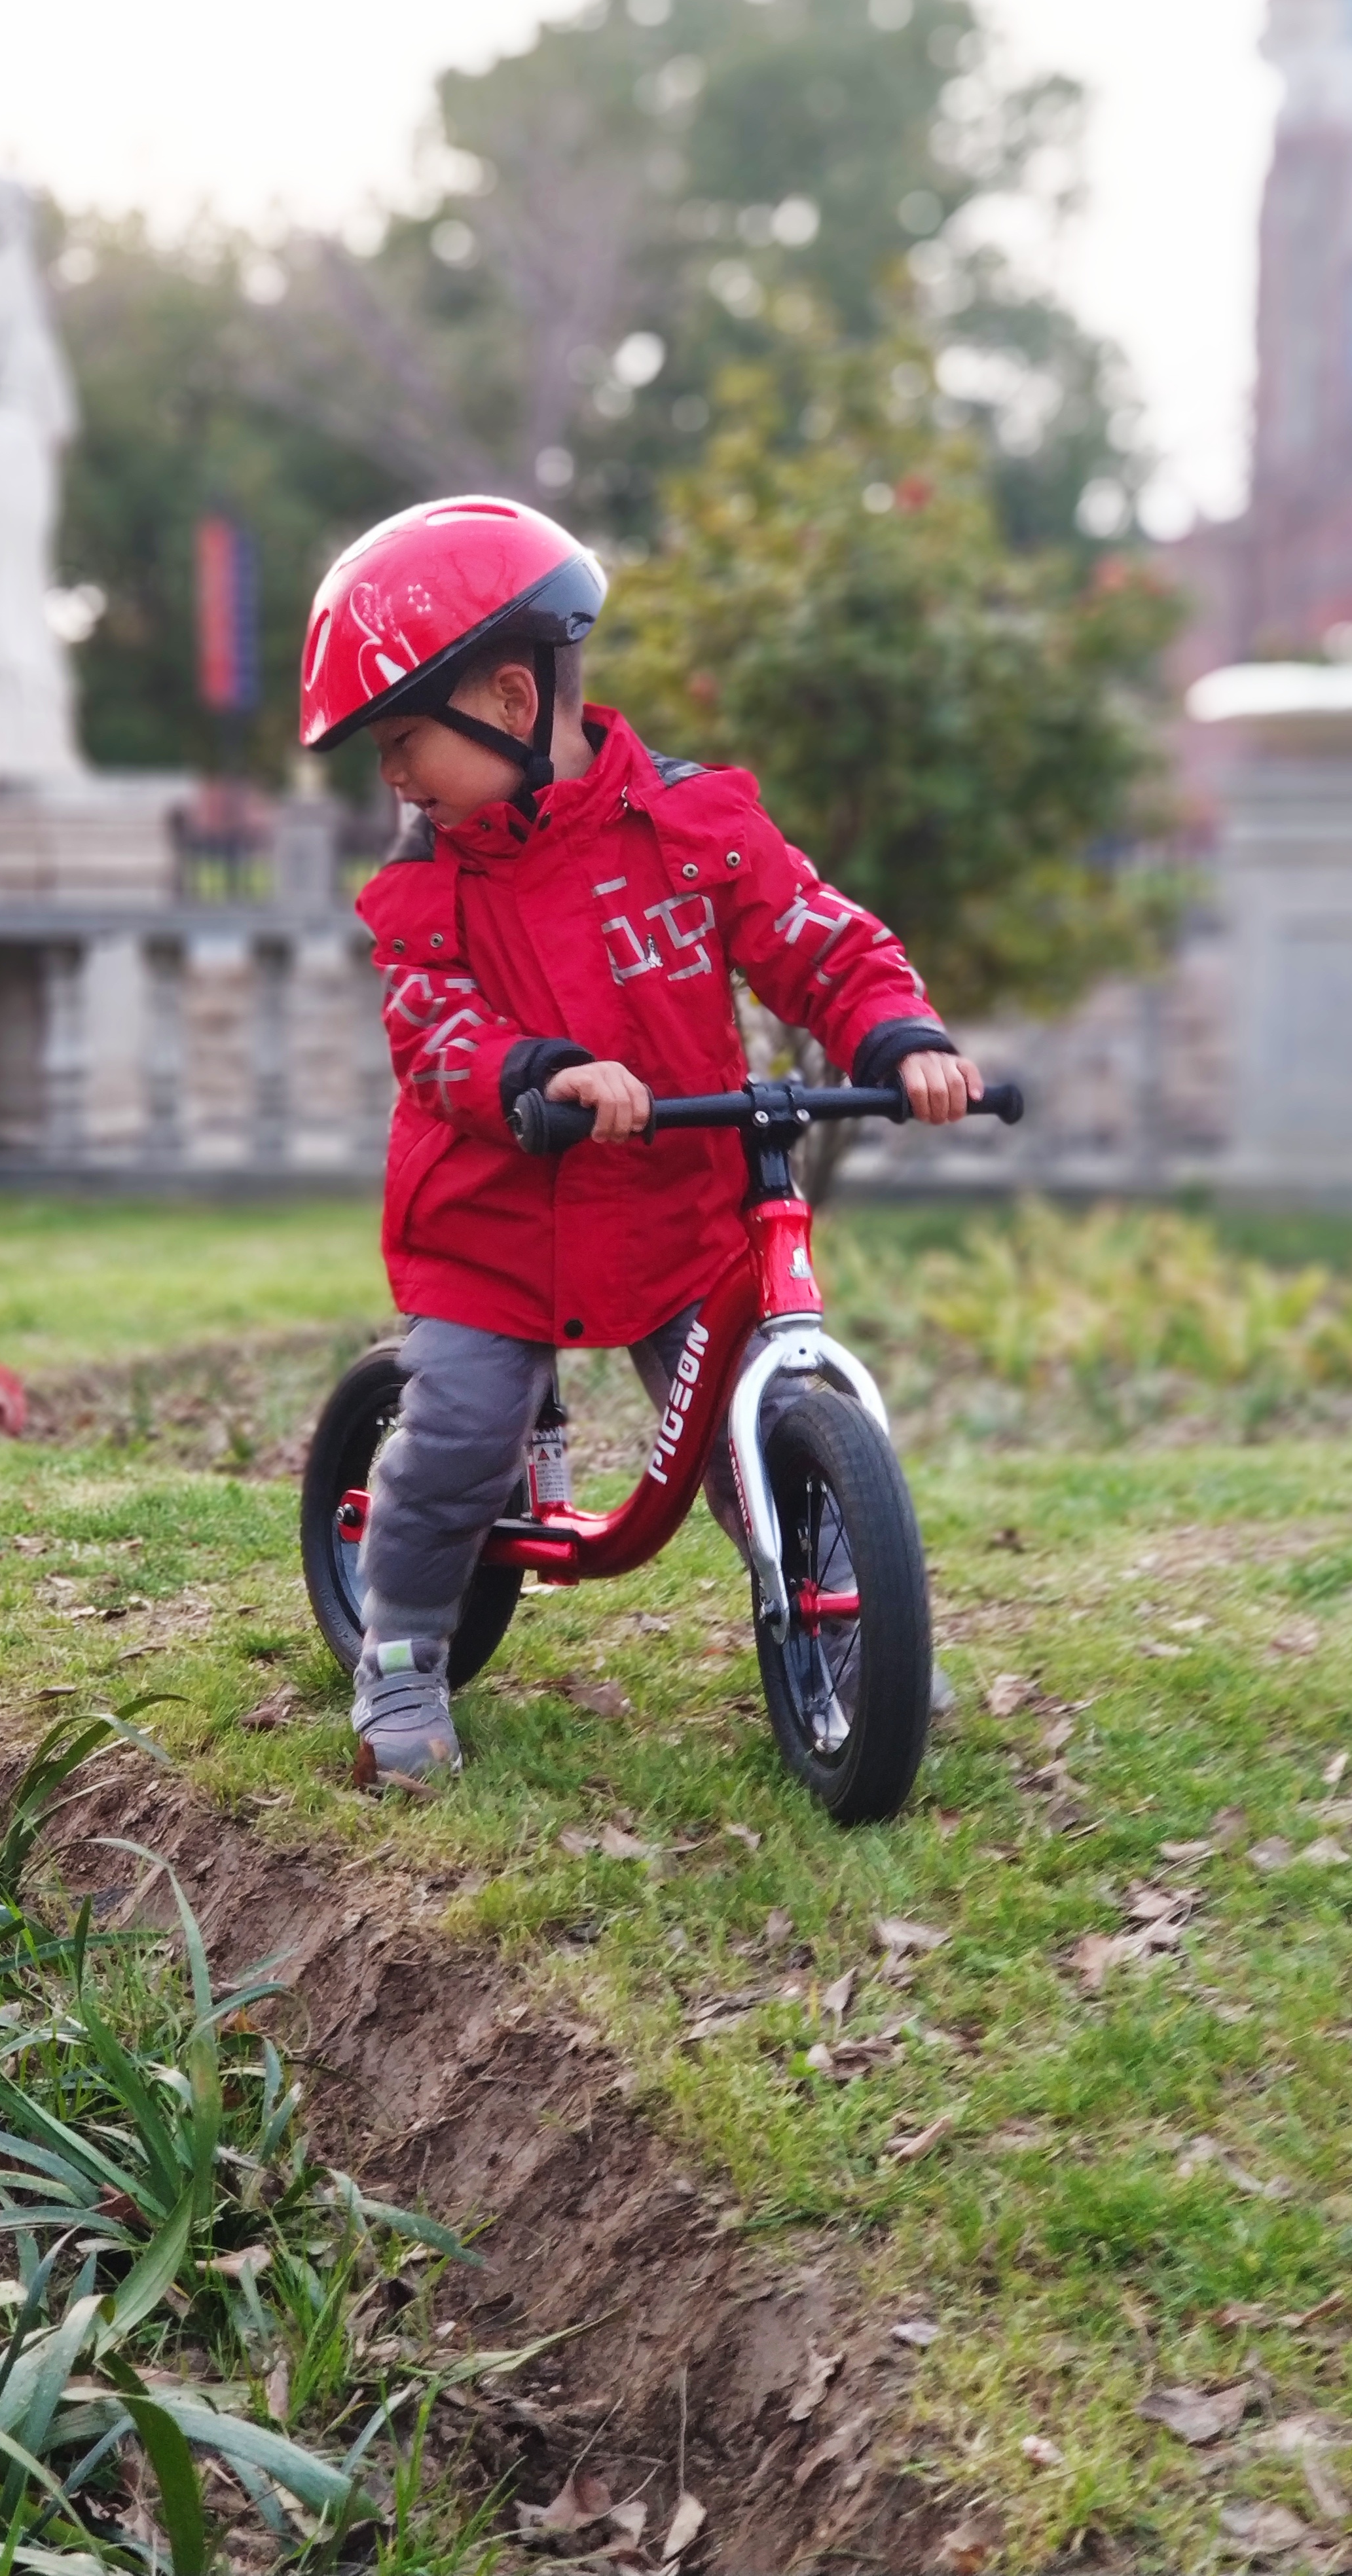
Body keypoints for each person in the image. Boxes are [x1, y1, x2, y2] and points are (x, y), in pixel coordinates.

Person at [299, 496, 982, 1778]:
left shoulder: (692, 828)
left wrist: (896, 1033)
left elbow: (815, 936)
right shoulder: (425, 891)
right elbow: (431, 1031)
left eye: (402, 740)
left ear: (508, 701)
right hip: (494, 1225)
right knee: (457, 1436)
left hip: (674, 1206)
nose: (391, 775)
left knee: (750, 1427)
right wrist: (536, 1072)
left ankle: (854, 1638)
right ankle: (396, 1653)